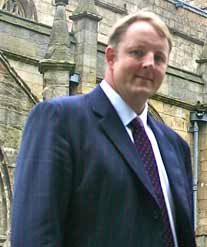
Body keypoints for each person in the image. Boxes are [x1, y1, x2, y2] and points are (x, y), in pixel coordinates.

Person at [11, 11, 196, 247]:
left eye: (159, 58)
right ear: (110, 57)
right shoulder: (60, 120)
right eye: (137, 52)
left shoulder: (175, 146)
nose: (149, 63)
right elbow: (34, 237)